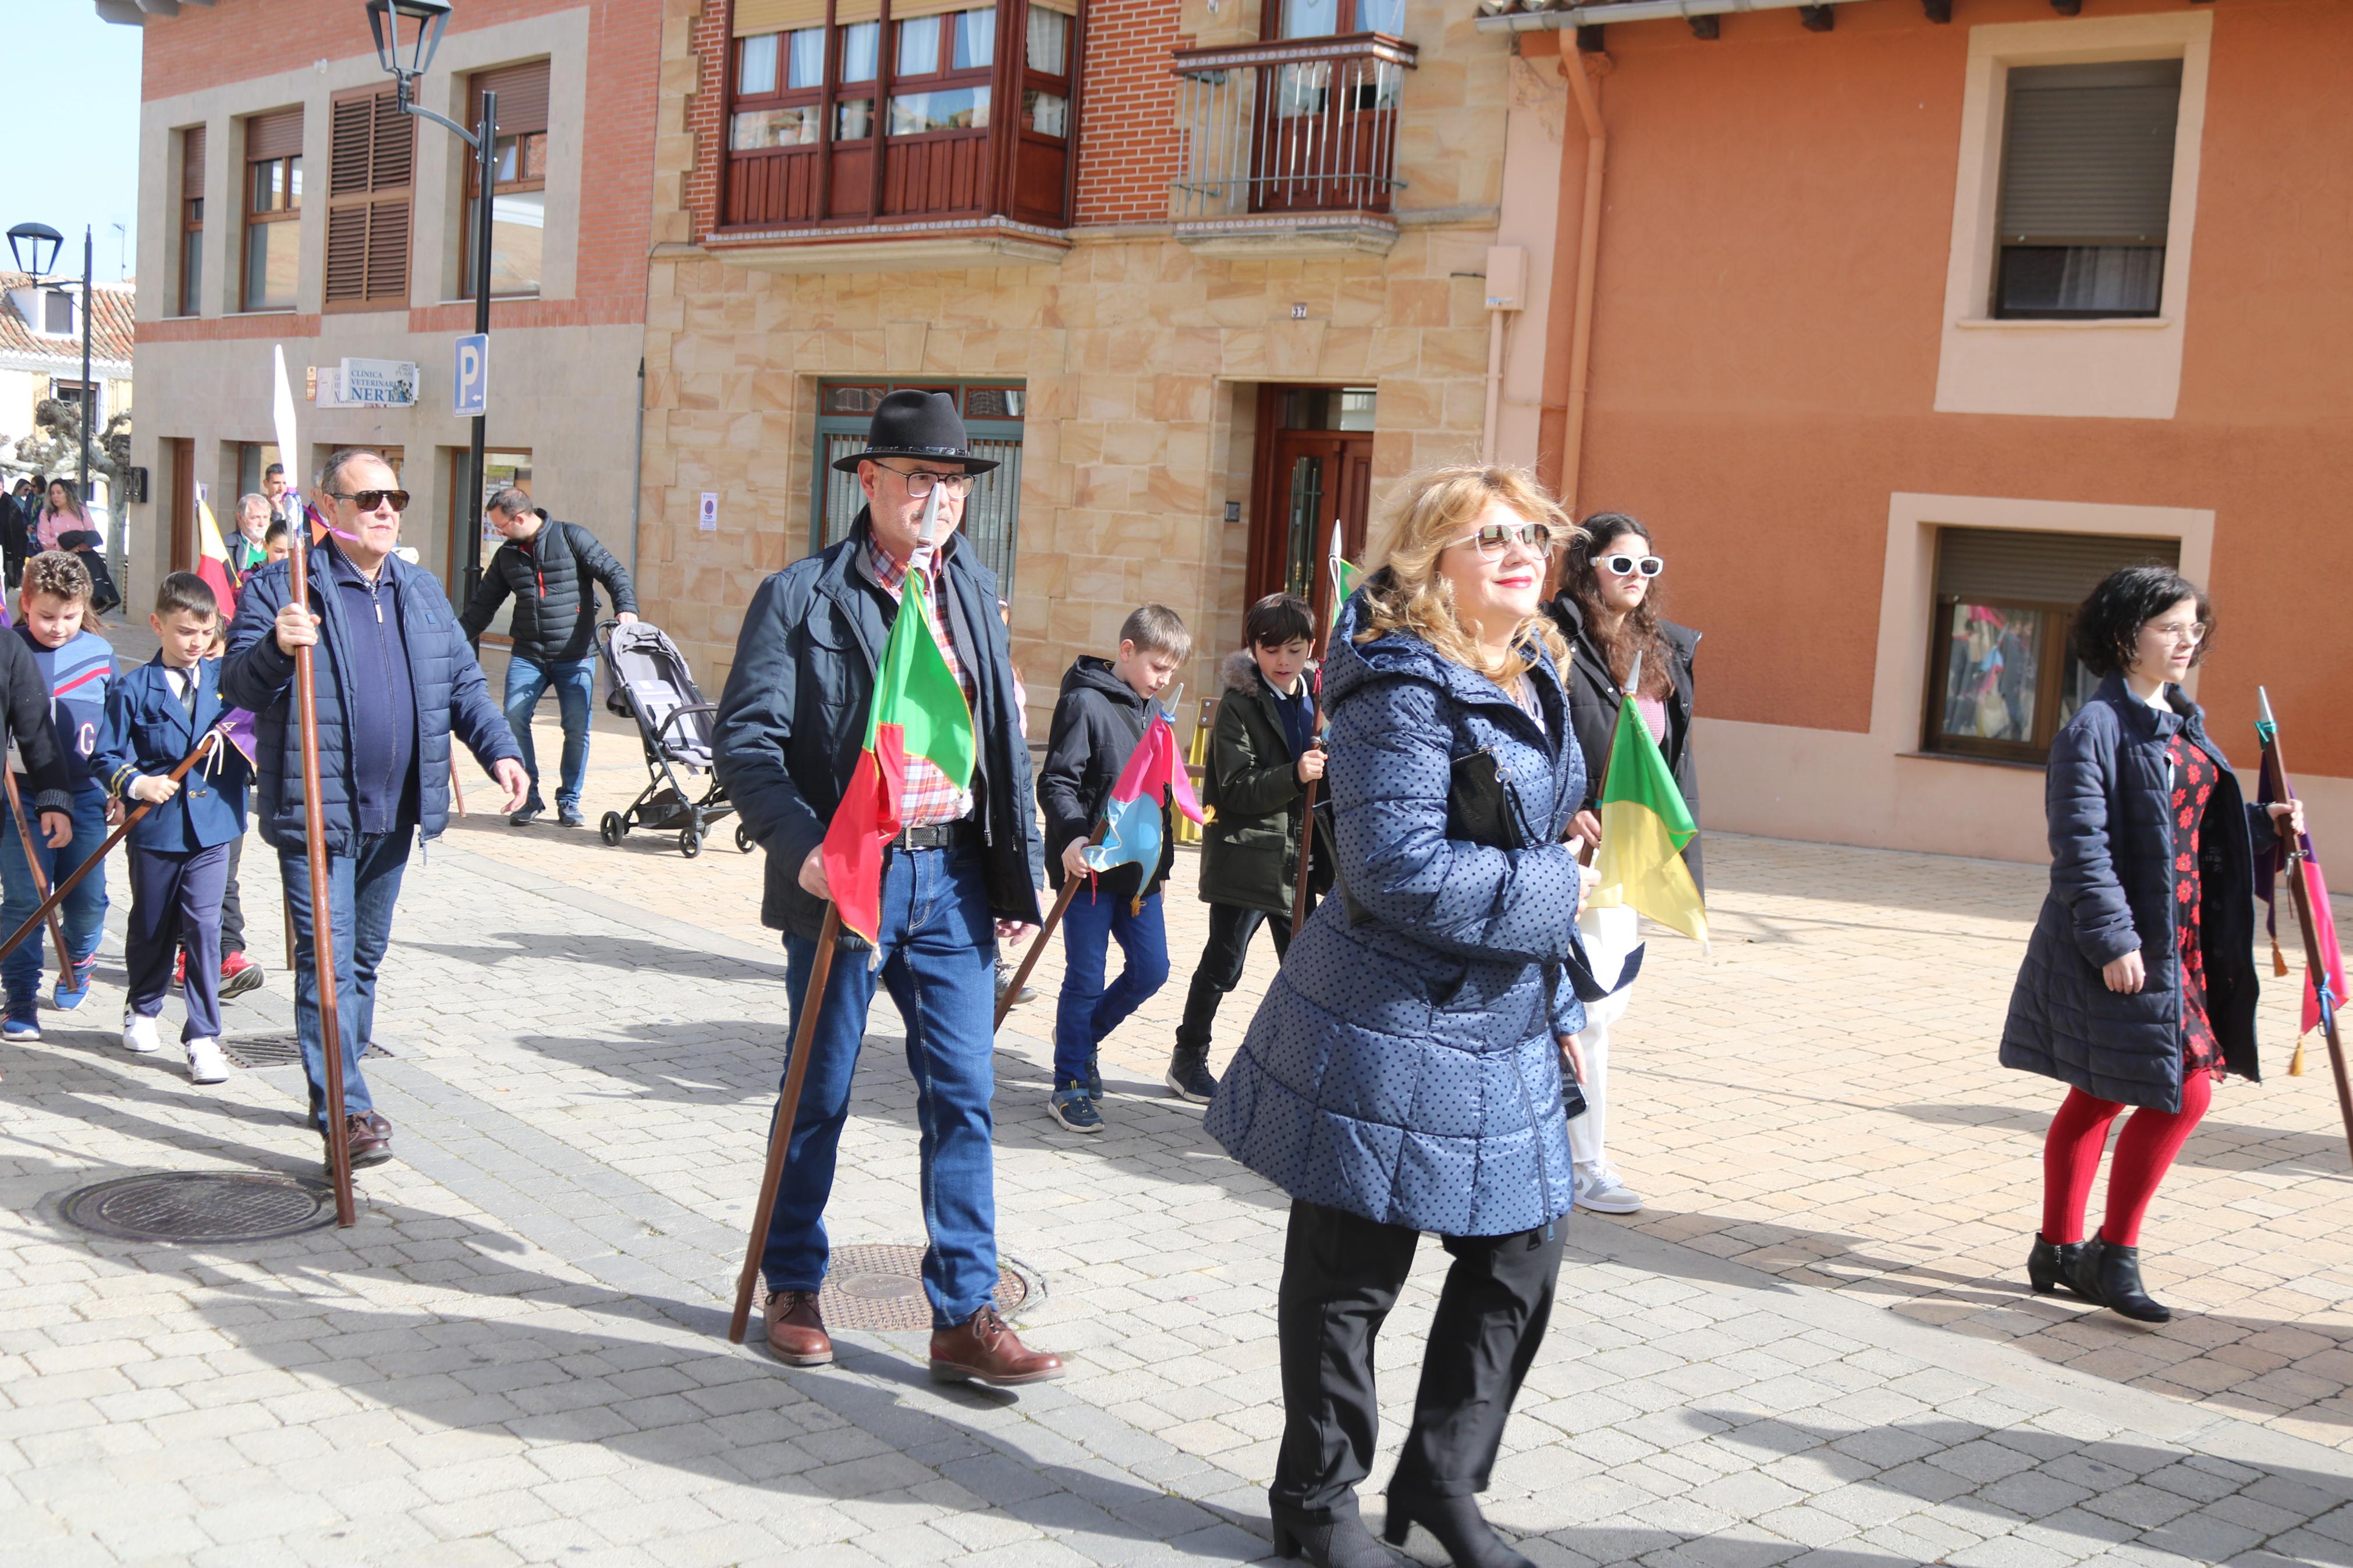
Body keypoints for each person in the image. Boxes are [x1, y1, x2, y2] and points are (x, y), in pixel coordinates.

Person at [1207, 464, 1594, 1568]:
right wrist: (1562, 889)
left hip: (1504, 1021)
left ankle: (1440, 1484)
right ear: (1431, 568)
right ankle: (1318, 1504)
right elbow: (1393, 871)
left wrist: (1559, 990)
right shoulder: (1394, 687)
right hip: (1386, 1023)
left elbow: (1527, 846)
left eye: (1529, 534)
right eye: (1488, 540)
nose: (1519, 552)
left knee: (1521, 1256)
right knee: (1350, 1277)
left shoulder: (1536, 672)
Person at [714, 389, 1059, 1386]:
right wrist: (802, 847)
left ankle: (963, 1313)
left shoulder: (972, 594)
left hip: (950, 877)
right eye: (919, 477)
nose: (938, 498)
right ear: (867, 481)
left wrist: (1013, 875)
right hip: (849, 880)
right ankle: (792, 1282)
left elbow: (1000, 748)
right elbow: (745, 742)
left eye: (952, 480)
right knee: (817, 1091)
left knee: (964, 1094)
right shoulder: (802, 596)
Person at [2003, 566, 2299, 1325]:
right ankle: (2107, 1252)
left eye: (2193, 624)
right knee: (2170, 1088)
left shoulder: (2180, 717)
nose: (2187, 637)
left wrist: (2264, 822)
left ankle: (2059, 1247)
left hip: (2184, 942)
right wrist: (2110, 936)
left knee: (2107, 1089)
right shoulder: (2092, 728)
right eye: (2169, 624)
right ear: (2121, 633)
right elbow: (2078, 844)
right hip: (2118, 944)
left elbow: (2193, 818)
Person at [225, 450, 528, 1169]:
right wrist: (276, 646)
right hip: (317, 810)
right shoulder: (282, 589)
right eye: (368, 500)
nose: (386, 510)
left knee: (361, 960)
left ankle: (332, 1085)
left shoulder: (419, 591)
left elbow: (462, 685)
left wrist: (502, 752)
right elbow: (237, 685)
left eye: (395, 496)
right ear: (327, 510)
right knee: (325, 965)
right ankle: (348, 1107)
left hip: (396, 813)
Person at [1545, 514, 1702, 1217]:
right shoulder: (1547, 639)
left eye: (1648, 566)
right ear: (1585, 568)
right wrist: (1566, 804)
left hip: (1627, 853)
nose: (1637, 578)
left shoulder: (1664, 649)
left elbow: (1671, 763)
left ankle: (1568, 1151)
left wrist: (1673, 847)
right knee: (1578, 1008)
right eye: (1621, 565)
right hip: (1560, 852)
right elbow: (1529, 737)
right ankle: (1584, 1163)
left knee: (1601, 1005)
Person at [94, 573, 251, 1085]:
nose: (194, 644)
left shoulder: (231, 685)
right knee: (153, 923)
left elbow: (253, 736)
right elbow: (105, 754)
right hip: (157, 827)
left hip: (213, 828)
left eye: (204, 634)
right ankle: (142, 1006)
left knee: (205, 927)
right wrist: (137, 784)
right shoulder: (132, 687)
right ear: (157, 625)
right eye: (184, 631)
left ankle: (203, 1035)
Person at [1169, 592, 1326, 1105]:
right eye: (1271, 649)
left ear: (1311, 648)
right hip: (1250, 857)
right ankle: (1187, 1057)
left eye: (1294, 650)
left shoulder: (1319, 699)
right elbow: (1235, 787)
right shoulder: (1240, 703)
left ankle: (1301, 1076)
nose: (1282, 661)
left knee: (1306, 972)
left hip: (1301, 860)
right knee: (1224, 962)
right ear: (1253, 647)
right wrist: (1296, 773)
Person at [1037, 604, 1188, 1134]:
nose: (1164, 680)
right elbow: (1057, 781)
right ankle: (1069, 1082)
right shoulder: (1083, 702)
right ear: (1126, 652)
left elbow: (1159, 797)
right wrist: (1074, 835)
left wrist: (1162, 867)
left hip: (1139, 878)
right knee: (1085, 977)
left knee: (1152, 969)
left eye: (1171, 672)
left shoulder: (1155, 711)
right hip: (1091, 872)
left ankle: (1081, 1039)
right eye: (1156, 667)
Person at [460, 488, 639, 829]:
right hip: (529, 654)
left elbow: (613, 572)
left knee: (576, 729)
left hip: (575, 655)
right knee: (513, 718)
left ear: (520, 518)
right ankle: (530, 797)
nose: (498, 533)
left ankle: (569, 800)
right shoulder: (507, 557)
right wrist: (449, 642)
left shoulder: (572, 538)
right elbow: (482, 607)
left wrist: (627, 608)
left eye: (500, 527)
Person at [1, 551, 115, 1033]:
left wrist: (120, 782)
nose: (57, 627)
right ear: (24, 603)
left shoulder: (100, 653)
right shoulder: (10, 649)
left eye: (69, 616)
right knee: (27, 897)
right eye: (46, 616)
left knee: (87, 896)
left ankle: (79, 955)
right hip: (22, 797)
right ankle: (21, 996)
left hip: (86, 791)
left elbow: (117, 727)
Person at [36, 479, 87, 554]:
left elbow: (91, 534)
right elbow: (44, 539)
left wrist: (79, 547)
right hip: (57, 559)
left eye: (59, 493)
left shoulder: (82, 511)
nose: (55, 496)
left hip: (81, 558)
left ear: (68, 494)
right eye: (52, 493)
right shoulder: (46, 514)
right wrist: (64, 547)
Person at [229, 493, 273, 580]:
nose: (262, 523)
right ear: (240, 518)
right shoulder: (226, 548)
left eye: (265, 517)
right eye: (255, 518)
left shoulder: (277, 546)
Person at [262, 463, 291, 527]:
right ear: (266, 484)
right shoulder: (258, 508)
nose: (281, 488)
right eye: (276, 483)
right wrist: (277, 512)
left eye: (285, 483)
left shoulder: (295, 509)